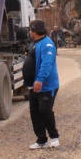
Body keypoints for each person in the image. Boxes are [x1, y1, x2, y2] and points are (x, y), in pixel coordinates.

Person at [27, 19, 60, 149]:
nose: (30, 32)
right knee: (34, 113)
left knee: (45, 111)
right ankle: (41, 140)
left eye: (31, 30)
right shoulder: (35, 43)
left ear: (35, 32)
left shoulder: (48, 45)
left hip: (46, 86)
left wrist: (40, 79)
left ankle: (54, 137)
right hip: (33, 86)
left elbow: (46, 64)